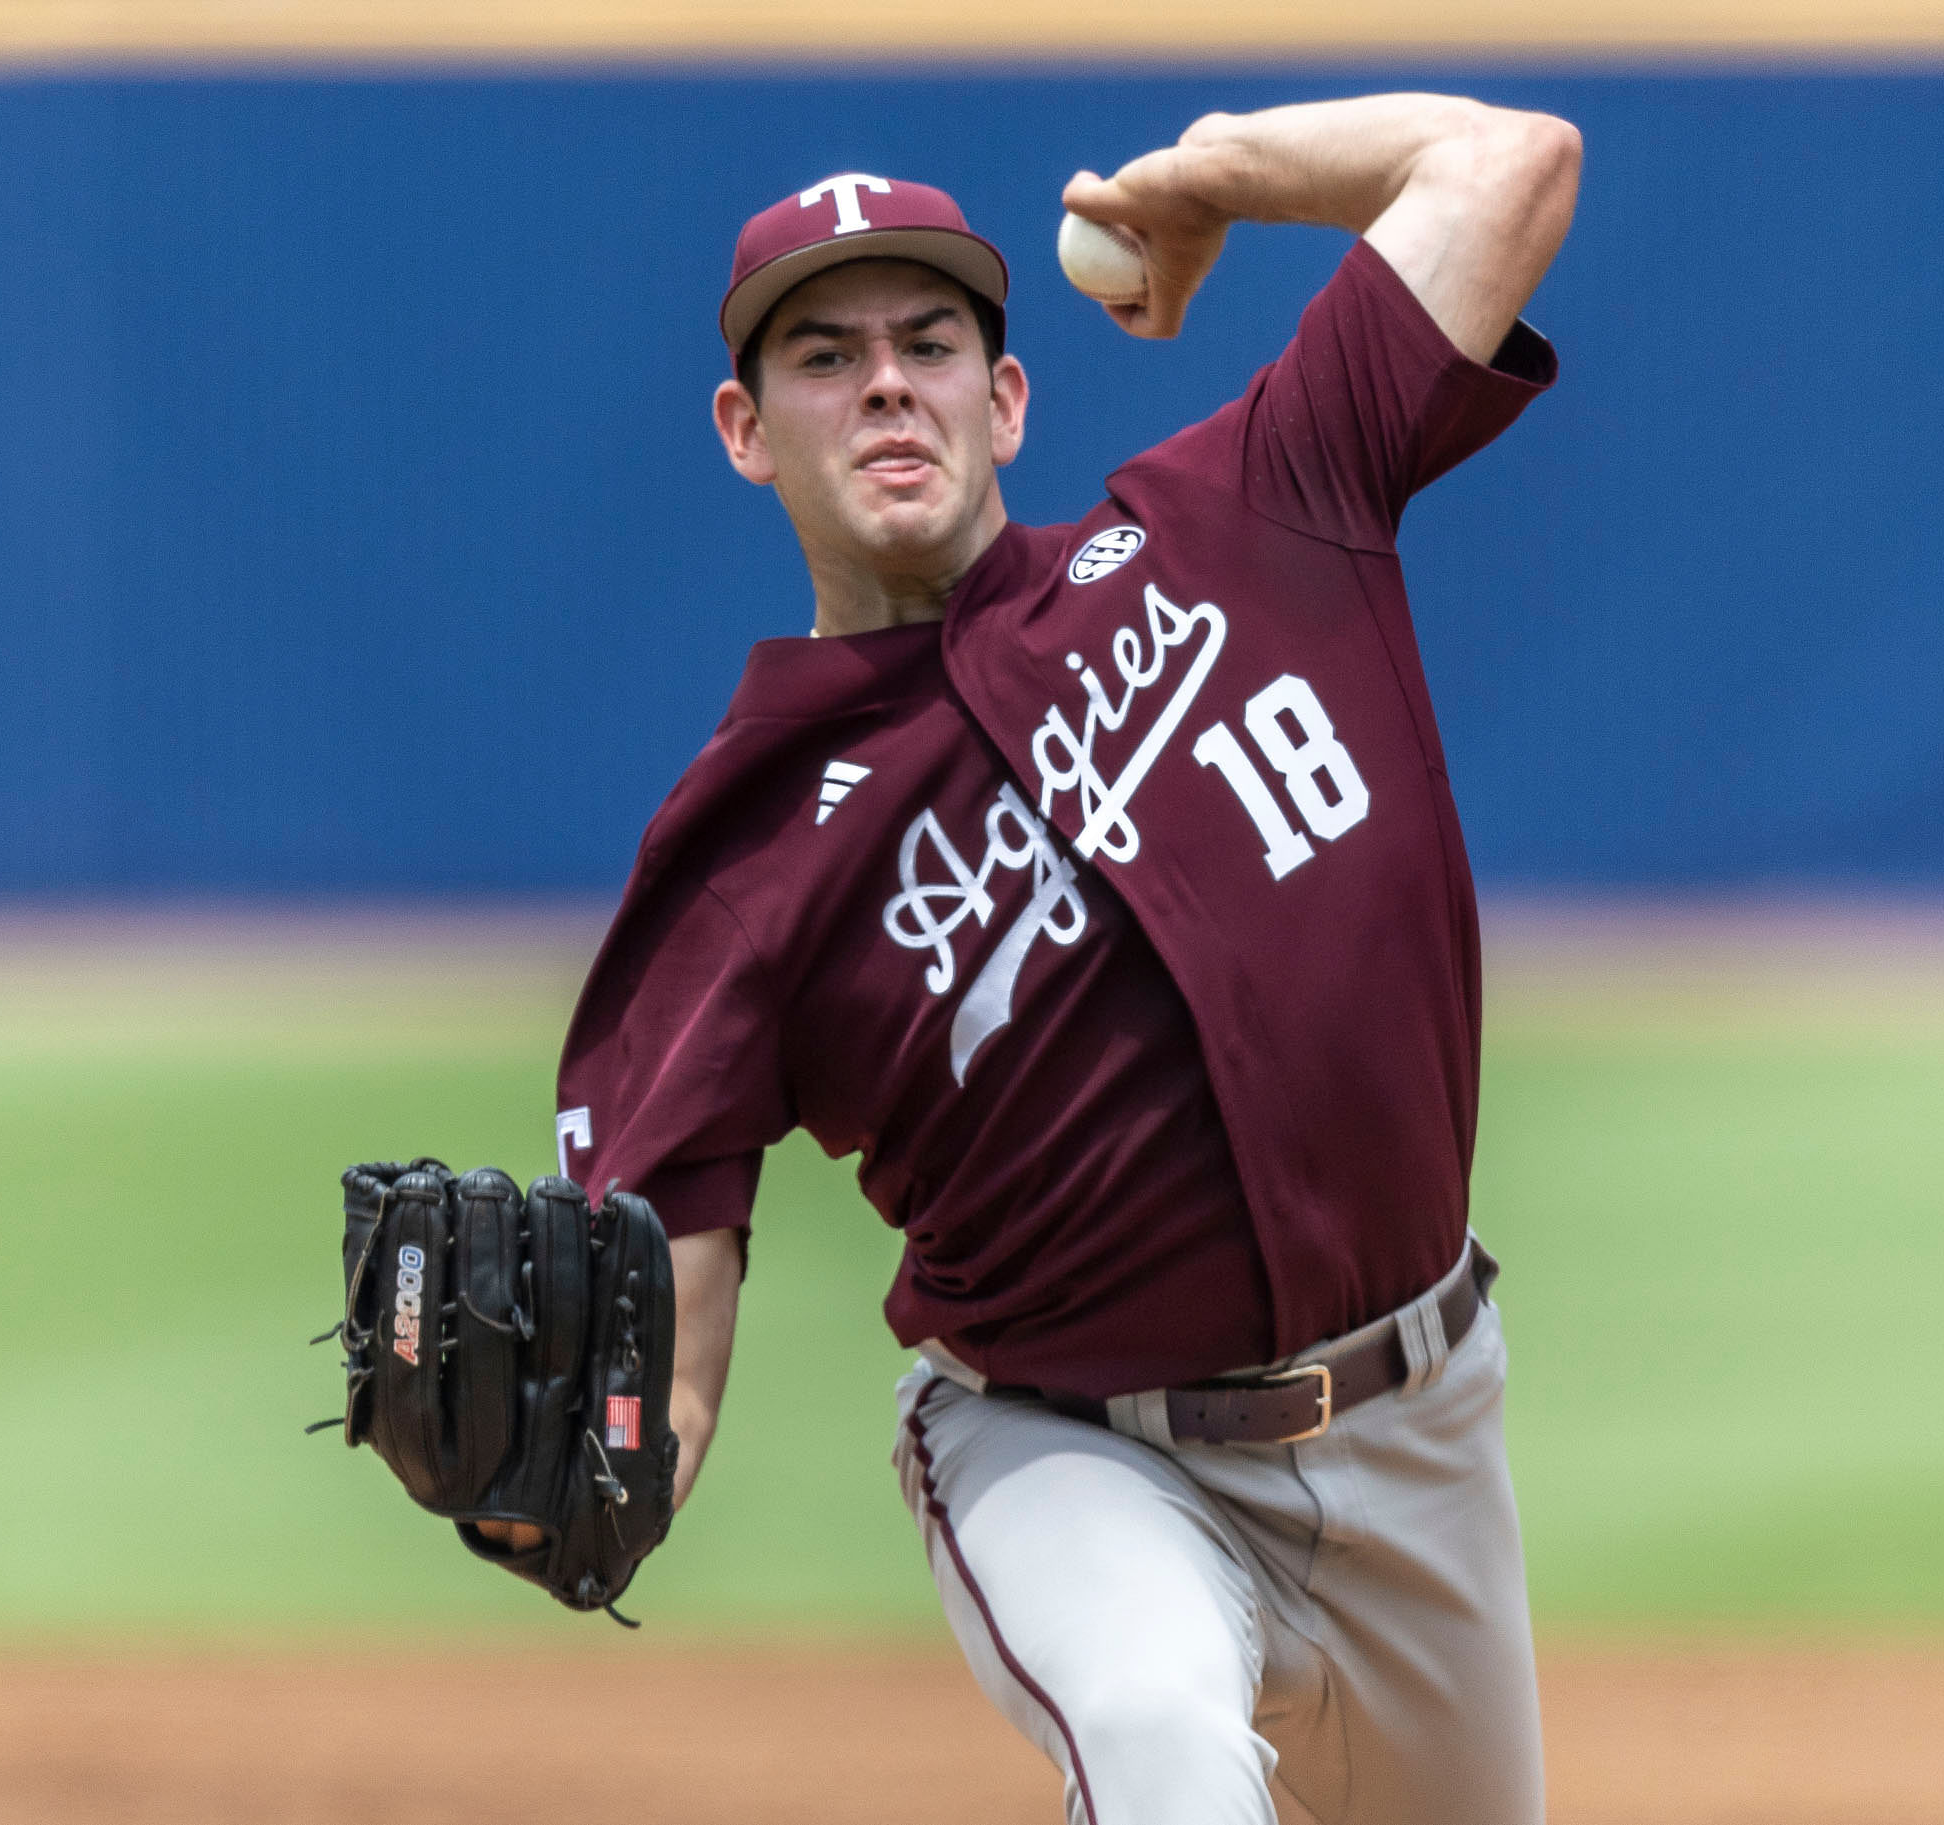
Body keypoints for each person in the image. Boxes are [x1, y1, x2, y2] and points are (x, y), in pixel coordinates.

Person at [479, 92, 1580, 1824]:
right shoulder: (739, 856)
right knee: (1155, 1739)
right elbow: (660, 1378)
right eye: (824, 356)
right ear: (744, 430)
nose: (887, 381)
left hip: (1422, 1418)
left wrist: (1212, 169)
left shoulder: (1248, 507)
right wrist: (563, 1483)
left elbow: (1508, 166)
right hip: (1073, 1449)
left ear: (1006, 400)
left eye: (929, 341)